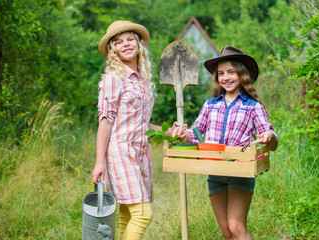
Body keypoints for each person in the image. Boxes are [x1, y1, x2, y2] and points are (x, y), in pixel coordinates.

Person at [173, 46, 278, 240]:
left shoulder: (252, 106)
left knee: (236, 226)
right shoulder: (210, 105)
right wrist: (182, 133)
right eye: (221, 73)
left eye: (231, 72)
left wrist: (270, 136)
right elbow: (195, 134)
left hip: (239, 171)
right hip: (215, 172)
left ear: (242, 74)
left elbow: (269, 136)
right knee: (227, 232)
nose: (226, 77)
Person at [92, 20, 162, 240]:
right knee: (142, 215)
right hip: (120, 152)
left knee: (126, 216)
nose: (126, 44)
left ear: (139, 44)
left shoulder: (142, 81)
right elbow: (106, 121)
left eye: (130, 39)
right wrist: (99, 161)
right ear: (113, 49)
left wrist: (168, 131)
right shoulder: (114, 79)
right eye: (119, 42)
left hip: (139, 152)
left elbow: (141, 124)